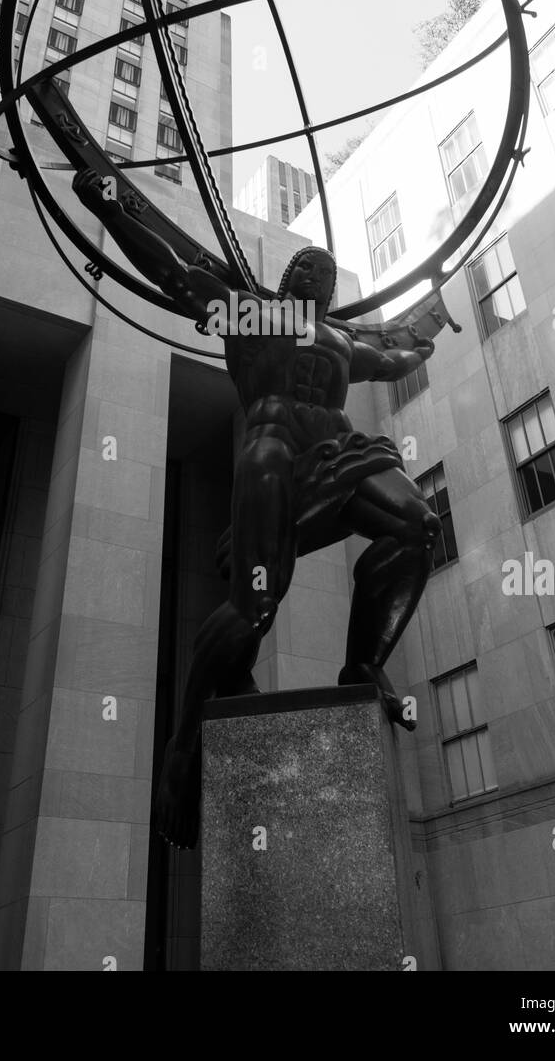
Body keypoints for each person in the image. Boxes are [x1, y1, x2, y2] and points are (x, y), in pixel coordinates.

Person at [73, 171, 441, 848]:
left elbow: (398, 353)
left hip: (339, 450)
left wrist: (435, 310)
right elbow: (176, 268)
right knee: (256, 605)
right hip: (272, 455)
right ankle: (184, 746)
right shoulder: (249, 314)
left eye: (322, 272)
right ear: (283, 279)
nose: (312, 272)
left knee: (418, 526)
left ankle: (363, 663)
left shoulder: (341, 342)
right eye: (302, 265)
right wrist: (110, 201)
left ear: (331, 296)